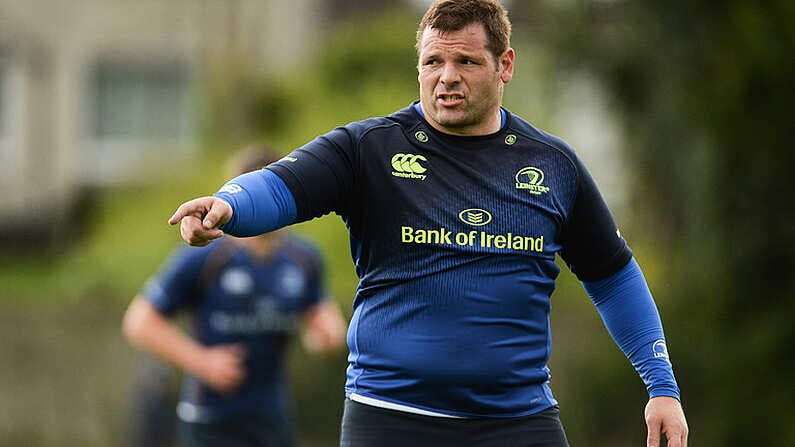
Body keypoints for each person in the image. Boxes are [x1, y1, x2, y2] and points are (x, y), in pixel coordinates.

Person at [167, 1, 689, 446]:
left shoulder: (553, 165)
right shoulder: (369, 149)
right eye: (433, 61)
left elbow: (613, 276)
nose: (447, 77)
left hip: (518, 421)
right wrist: (227, 207)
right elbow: (281, 185)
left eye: (466, 60)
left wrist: (661, 385)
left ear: (505, 64)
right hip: (392, 418)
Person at [122, 143, 347, 447]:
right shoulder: (206, 257)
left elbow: (324, 322)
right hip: (211, 419)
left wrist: (327, 336)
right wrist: (201, 361)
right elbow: (139, 321)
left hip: (272, 416)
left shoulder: (303, 258)